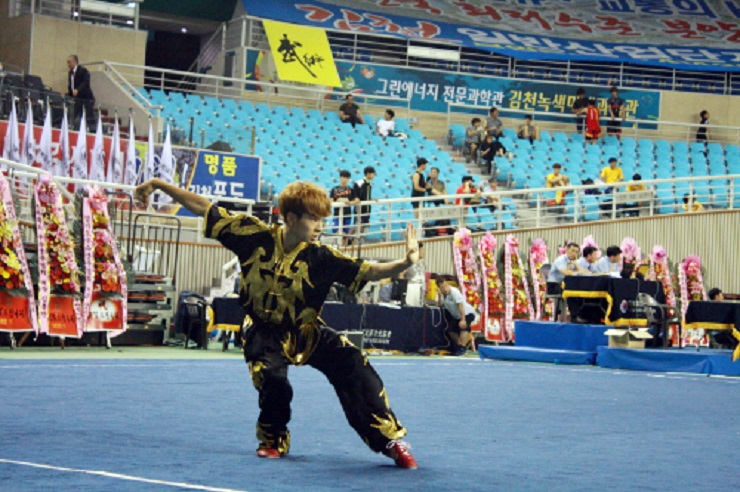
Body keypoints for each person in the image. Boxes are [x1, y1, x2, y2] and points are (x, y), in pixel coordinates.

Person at [134, 178, 419, 469]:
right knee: (272, 379)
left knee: (353, 363)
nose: (320, 227)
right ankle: (273, 438)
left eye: (322, 220)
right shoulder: (251, 234)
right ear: (291, 218)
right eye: (313, 219)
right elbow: (204, 208)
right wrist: (158, 184)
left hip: (307, 332)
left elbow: (368, 271)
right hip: (262, 330)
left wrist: (405, 262)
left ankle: (389, 440)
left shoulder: (323, 256)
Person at [436, 276, 476, 356]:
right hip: (456, 316)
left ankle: (463, 347)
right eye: (442, 287)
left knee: (463, 327)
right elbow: (439, 305)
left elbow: (460, 306)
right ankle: (459, 346)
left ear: (447, 284)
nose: (444, 289)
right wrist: (440, 296)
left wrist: (463, 319)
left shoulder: (454, 292)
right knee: (450, 330)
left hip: (467, 313)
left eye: (445, 286)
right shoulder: (441, 294)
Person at [330, 170, 359, 245]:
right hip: (337, 214)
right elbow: (331, 201)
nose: (345, 179)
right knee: (335, 229)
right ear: (340, 177)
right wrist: (338, 201)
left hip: (347, 214)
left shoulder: (351, 189)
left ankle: (343, 246)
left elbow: (357, 200)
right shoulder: (334, 189)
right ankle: (346, 241)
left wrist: (350, 202)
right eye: (343, 177)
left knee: (345, 231)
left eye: (347, 178)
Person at [67, 54, 95, 130]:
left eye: (69, 62)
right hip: (77, 99)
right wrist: (69, 94)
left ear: (75, 62)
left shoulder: (83, 70)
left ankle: (92, 130)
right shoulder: (70, 73)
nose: (68, 65)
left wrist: (78, 90)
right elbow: (71, 85)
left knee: (88, 118)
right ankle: (73, 128)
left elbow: (86, 82)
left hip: (86, 99)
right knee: (73, 116)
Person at [354, 166, 376, 235]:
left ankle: (355, 239)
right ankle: (349, 238)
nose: (374, 175)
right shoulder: (359, 183)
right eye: (373, 174)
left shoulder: (370, 184)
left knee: (364, 226)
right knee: (358, 226)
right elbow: (355, 195)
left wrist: (371, 198)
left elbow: (366, 195)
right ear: (368, 174)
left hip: (367, 209)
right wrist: (356, 199)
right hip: (360, 209)